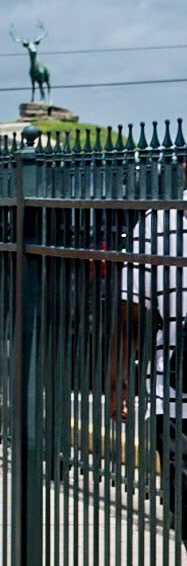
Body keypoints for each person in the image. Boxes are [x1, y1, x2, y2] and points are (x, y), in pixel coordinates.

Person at [116, 204, 187, 524]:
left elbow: (130, 314)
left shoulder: (156, 224)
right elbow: (130, 313)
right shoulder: (156, 223)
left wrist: (118, 379)